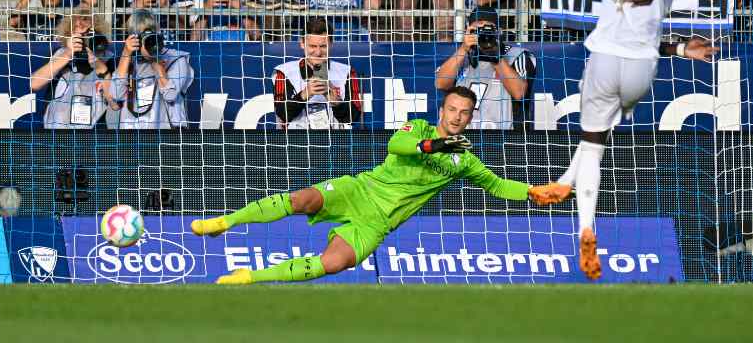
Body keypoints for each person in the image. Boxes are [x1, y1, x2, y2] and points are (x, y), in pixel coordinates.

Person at [191, 86, 572, 284]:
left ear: (471, 117)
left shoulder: (464, 161)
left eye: (464, 113)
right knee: (303, 198)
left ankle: (247, 278)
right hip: (361, 190)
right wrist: (433, 144)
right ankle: (224, 222)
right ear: (442, 111)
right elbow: (397, 144)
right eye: (452, 110)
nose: (457, 117)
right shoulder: (419, 128)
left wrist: (531, 191)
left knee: (334, 263)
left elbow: (495, 185)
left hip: (377, 222)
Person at [554, 0, 717, 280]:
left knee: (592, 142)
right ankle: (566, 182)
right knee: (597, 138)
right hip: (639, 66)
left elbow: (626, 27)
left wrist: (679, 45)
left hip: (602, 60)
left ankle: (583, 220)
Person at [434, 8, 536, 130]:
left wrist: (495, 57)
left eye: (488, 30)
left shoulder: (516, 55)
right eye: (478, 30)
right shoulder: (460, 56)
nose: (483, 35)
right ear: (468, 30)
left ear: (499, 31)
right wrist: (463, 49)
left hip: (504, 137)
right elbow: (441, 84)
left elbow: (519, 93)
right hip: (463, 136)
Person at [272, 16, 363, 129]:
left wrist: (336, 102)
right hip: (295, 142)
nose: (318, 52)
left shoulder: (346, 72)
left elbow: (354, 119)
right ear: (302, 43)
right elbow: (281, 114)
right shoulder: (285, 72)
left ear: (331, 44)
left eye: (323, 46)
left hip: (335, 143)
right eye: (313, 46)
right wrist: (305, 94)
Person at [30, 12, 117, 129]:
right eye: (78, 32)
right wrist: (68, 53)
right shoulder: (61, 53)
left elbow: (115, 102)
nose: (84, 38)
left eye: (87, 33)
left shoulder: (108, 58)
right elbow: (34, 84)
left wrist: (101, 67)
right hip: (59, 130)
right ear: (69, 34)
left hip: (93, 133)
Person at [111, 9, 194, 129]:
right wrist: (126, 54)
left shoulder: (176, 59)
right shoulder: (127, 62)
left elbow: (170, 95)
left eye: (150, 35)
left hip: (163, 137)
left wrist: (155, 60)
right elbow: (116, 95)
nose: (146, 40)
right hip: (132, 137)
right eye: (142, 37)